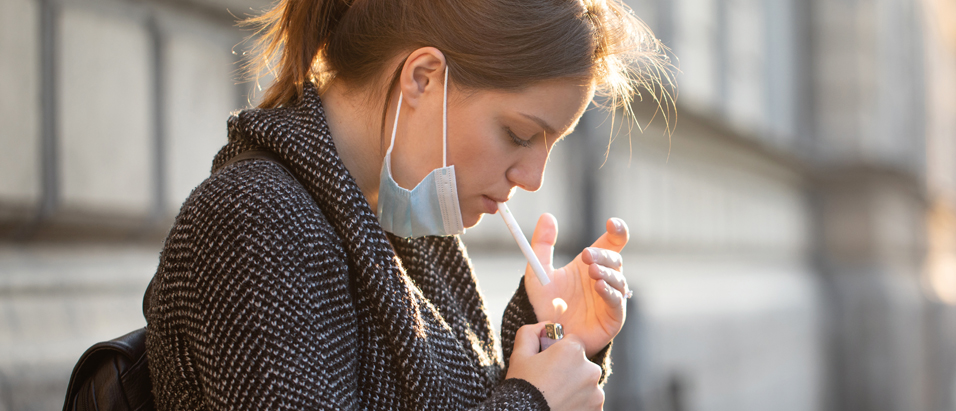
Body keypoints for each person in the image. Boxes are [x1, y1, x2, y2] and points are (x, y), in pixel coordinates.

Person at [143, 0, 670, 409]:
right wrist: (531, 402)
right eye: (518, 133)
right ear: (422, 77)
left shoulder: (411, 230)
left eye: (551, 146)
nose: (532, 178)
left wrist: (557, 339)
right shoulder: (255, 219)